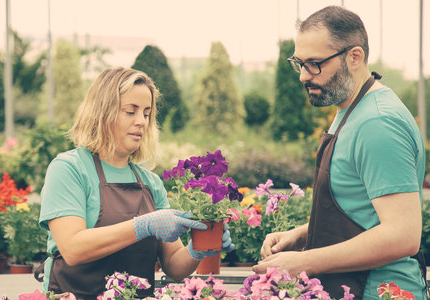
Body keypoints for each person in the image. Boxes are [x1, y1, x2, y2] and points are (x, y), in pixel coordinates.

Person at [252, 5, 428, 299]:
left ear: (354, 57)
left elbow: (403, 235)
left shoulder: (378, 122)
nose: (303, 77)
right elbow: (361, 211)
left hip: (379, 290)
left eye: (314, 63)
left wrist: (304, 262)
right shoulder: (353, 109)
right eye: (299, 63)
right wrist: (303, 233)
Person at [36, 67, 234, 299]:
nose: (141, 121)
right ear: (102, 113)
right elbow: (73, 249)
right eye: (131, 112)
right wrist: (142, 226)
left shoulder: (150, 182)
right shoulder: (69, 169)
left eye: (147, 113)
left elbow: (173, 265)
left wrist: (198, 248)